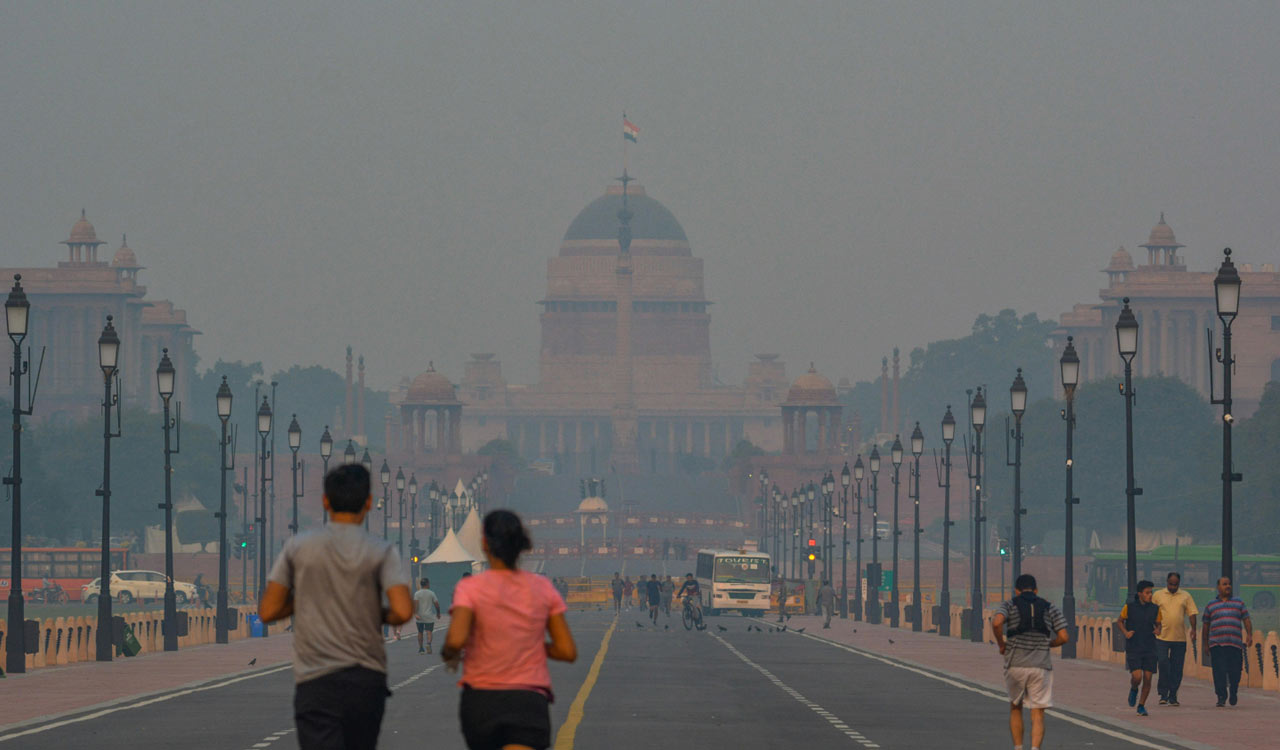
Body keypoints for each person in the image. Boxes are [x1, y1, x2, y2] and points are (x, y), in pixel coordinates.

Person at [259, 464, 412, 750]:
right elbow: (403, 611)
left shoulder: (298, 547)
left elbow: (268, 610)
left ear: (325, 501)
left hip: (315, 678)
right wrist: (372, 610)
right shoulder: (381, 550)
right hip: (366, 677)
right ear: (368, 502)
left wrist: (305, 599)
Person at [442, 510, 577, 750]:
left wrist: (449, 654)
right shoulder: (542, 587)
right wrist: (531, 643)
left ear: (484, 543)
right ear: (521, 545)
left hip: (482, 700)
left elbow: (456, 639)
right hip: (527, 700)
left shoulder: (470, 588)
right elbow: (566, 650)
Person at [991, 574, 1069, 750]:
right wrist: (1049, 643)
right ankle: (1035, 748)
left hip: (1015, 664)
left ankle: (1018, 747)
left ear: (1016, 591)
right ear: (1036, 590)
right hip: (1041, 666)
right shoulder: (1050, 607)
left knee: (1016, 707)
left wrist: (1002, 644)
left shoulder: (1010, 605)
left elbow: (996, 623)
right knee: (1037, 712)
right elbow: (1064, 637)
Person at [1202, 576, 1253, 707]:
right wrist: (1205, 644)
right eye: (1224, 584)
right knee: (1219, 671)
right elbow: (1206, 625)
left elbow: (1246, 619)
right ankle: (1221, 696)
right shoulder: (1211, 605)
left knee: (1235, 671)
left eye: (1229, 584)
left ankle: (1234, 691)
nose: (1228, 586)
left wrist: (1249, 634)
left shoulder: (1239, 603)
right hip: (1217, 644)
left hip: (1235, 644)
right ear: (1218, 587)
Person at [1152, 571, 1197, 706]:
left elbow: (1192, 613)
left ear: (1179, 584)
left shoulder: (1186, 596)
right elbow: (1151, 612)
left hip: (1179, 639)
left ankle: (1173, 695)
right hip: (1162, 637)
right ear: (1166, 582)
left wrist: (1194, 629)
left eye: (1175, 585)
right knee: (1164, 663)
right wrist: (1154, 627)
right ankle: (1163, 693)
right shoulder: (1158, 595)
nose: (1173, 587)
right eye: (1171, 584)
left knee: (1177, 668)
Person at [1117, 580, 1161, 716]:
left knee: (1148, 678)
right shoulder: (1129, 607)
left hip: (1149, 646)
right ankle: (1134, 688)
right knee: (1137, 676)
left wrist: (1158, 630)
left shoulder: (1155, 609)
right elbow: (1119, 621)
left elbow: (1159, 624)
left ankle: (1141, 705)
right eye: (1147, 593)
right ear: (1140, 593)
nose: (1150, 595)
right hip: (1134, 646)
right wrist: (1126, 632)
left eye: (1151, 592)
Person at [414, 577, 442, 654]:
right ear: (427, 584)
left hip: (419, 616)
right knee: (429, 631)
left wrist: (415, 614)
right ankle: (428, 644)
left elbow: (415, 605)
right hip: (429, 616)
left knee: (420, 632)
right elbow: (437, 604)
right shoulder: (431, 593)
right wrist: (438, 613)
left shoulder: (417, 593)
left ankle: (421, 648)